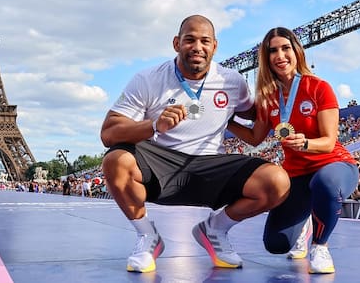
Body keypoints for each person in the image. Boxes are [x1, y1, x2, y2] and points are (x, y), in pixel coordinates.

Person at [100, 15, 290, 273]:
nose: (197, 47)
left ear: (215, 47)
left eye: (204, 41)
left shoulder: (232, 81)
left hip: (211, 166)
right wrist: (154, 124)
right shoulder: (148, 79)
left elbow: (260, 114)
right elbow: (108, 133)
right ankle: (148, 237)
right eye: (189, 40)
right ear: (176, 43)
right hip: (161, 162)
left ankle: (215, 229)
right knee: (115, 160)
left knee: (276, 181)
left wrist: (289, 86)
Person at [231, 26, 358, 274]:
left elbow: (329, 142)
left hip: (334, 165)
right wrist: (227, 121)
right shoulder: (268, 98)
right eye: (273, 51)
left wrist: (306, 143)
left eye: (285, 48)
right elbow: (255, 138)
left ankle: (320, 247)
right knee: (276, 244)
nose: (280, 56)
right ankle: (306, 222)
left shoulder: (318, 87)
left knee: (326, 183)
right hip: (297, 175)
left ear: (297, 51)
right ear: (266, 59)